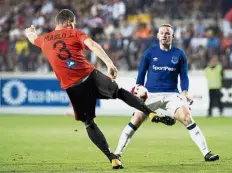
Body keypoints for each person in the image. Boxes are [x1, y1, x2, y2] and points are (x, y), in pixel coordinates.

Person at [24, 9, 173, 169]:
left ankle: (112, 158)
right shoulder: (75, 33)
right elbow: (93, 45)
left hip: (73, 89)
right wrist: (109, 63)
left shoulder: (44, 39)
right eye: (73, 23)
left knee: (89, 124)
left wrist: (29, 32)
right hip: (91, 77)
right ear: (69, 22)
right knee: (120, 92)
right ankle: (149, 112)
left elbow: (33, 39)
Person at [114, 24, 219, 162]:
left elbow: (184, 77)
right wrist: (138, 88)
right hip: (150, 94)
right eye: (162, 33)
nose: (164, 35)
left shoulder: (180, 54)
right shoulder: (149, 53)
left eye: (168, 33)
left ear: (173, 37)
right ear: (157, 36)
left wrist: (185, 93)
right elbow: (141, 75)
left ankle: (206, 153)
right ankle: (117, 153)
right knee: (136, 119)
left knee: (187, 117)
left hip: (171, 95)